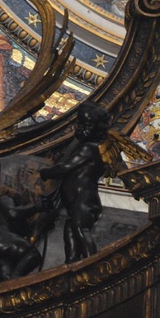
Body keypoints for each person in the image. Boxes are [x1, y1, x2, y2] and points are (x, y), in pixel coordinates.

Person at [41, 101, 108, 262]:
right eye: (80, 123)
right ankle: (71, 266)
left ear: (98, 128)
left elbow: (65, 167)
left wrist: (45, 172)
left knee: (81, 231)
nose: (81, 128)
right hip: (74, 206)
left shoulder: (90, 148)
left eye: (87, 125)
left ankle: (91, 264)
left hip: (84, 202)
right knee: (70, 237)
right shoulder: (83, 147)